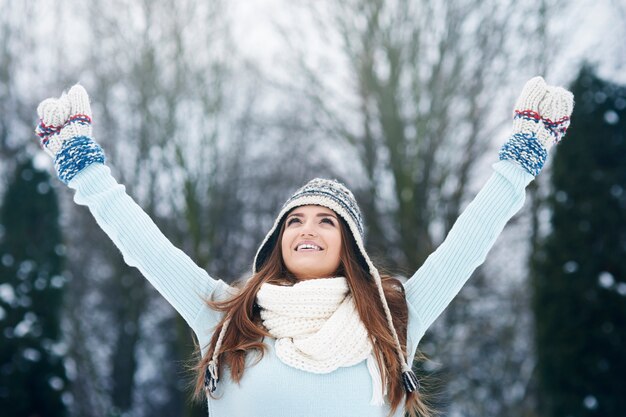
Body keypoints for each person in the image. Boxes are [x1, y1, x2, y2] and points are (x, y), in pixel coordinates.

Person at [34, 76, 573, 417]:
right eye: (294, 220)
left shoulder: (393, 315)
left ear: (351, 248)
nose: (307, 228)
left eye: (326, 222)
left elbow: (468, 242)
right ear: (278, 240)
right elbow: (146, 248)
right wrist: (88, 173)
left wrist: (518, 162)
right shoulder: (226, 316)